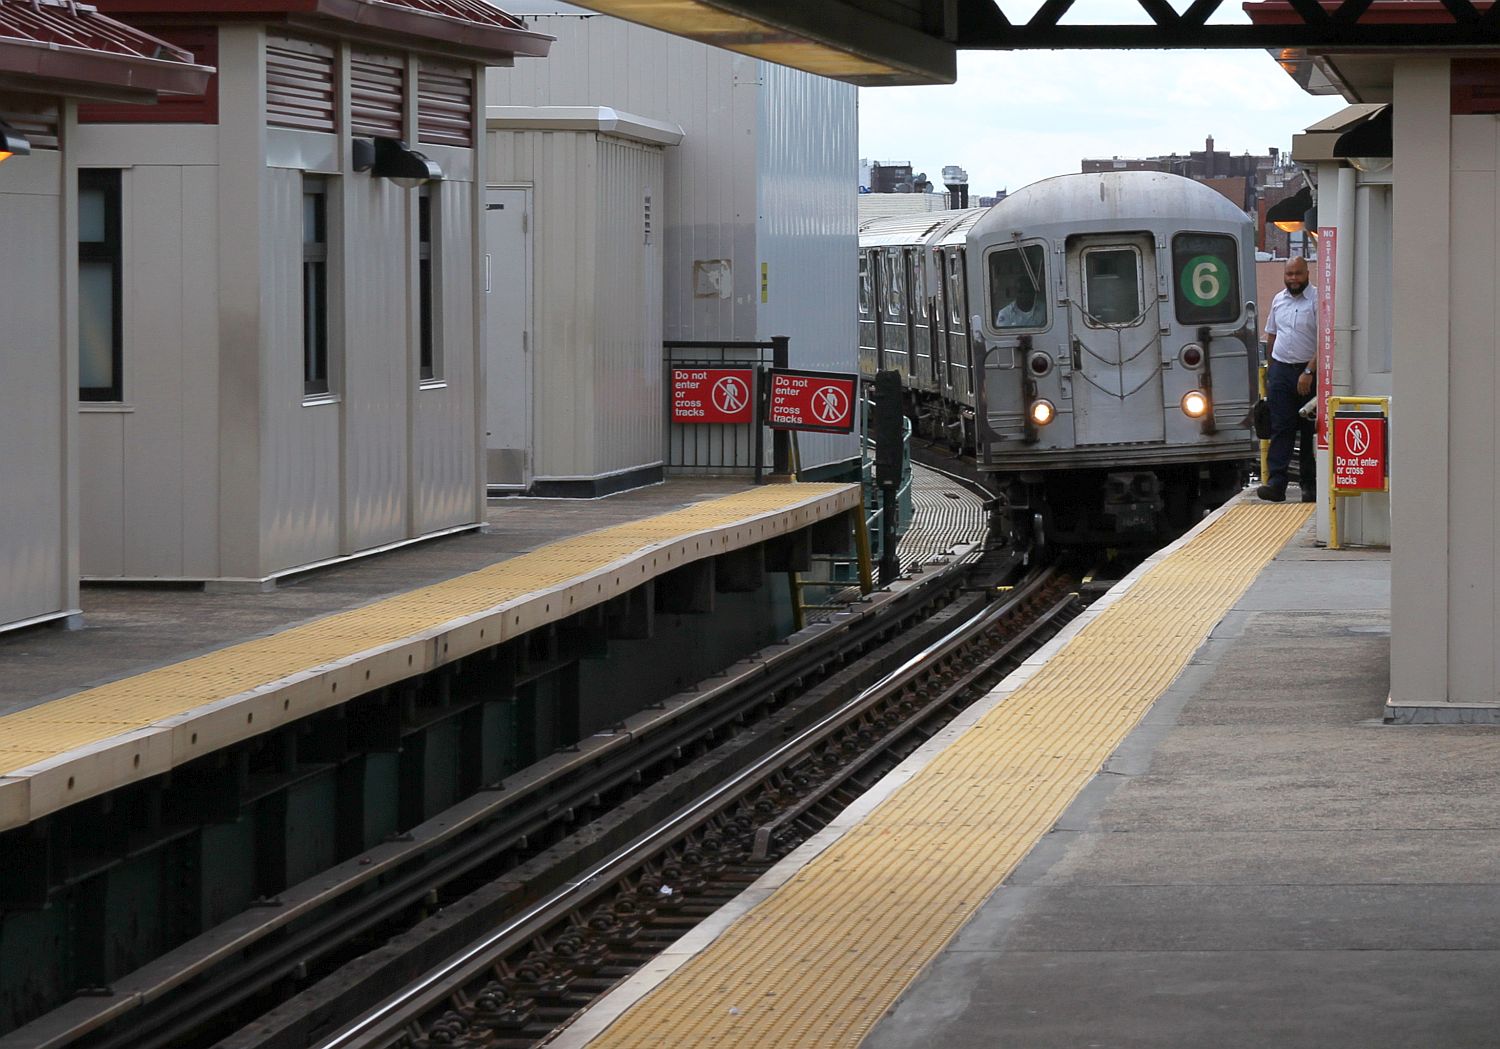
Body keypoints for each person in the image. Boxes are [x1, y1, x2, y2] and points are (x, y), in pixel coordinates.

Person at [1258, 255, 1318, 503]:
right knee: (1280, 427)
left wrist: (1308, 372)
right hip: (1281, 370)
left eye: (1298, 274)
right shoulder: (1278, 300)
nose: (1293, 279)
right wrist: (1272, 369)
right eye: (1289, 274)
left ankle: (1309, 485)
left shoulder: (1317, 299)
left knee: (1308, 430)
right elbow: (1272, 334)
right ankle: (1276, 484)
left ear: (1307, 273)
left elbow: (1325, 340)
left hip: (1308, 372)